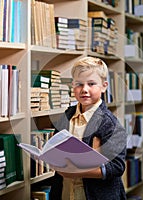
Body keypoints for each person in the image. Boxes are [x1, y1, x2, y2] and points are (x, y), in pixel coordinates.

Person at [49, 56, 127, 200]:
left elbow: (117, 167)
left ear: (104, 86)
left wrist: (78, 172)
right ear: (72, 85)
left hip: (96, 195)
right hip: (65, 192)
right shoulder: (67, 116)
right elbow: (55, 147)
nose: (84, 89)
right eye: (79, 84)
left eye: (91, 84)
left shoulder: (110, 123)